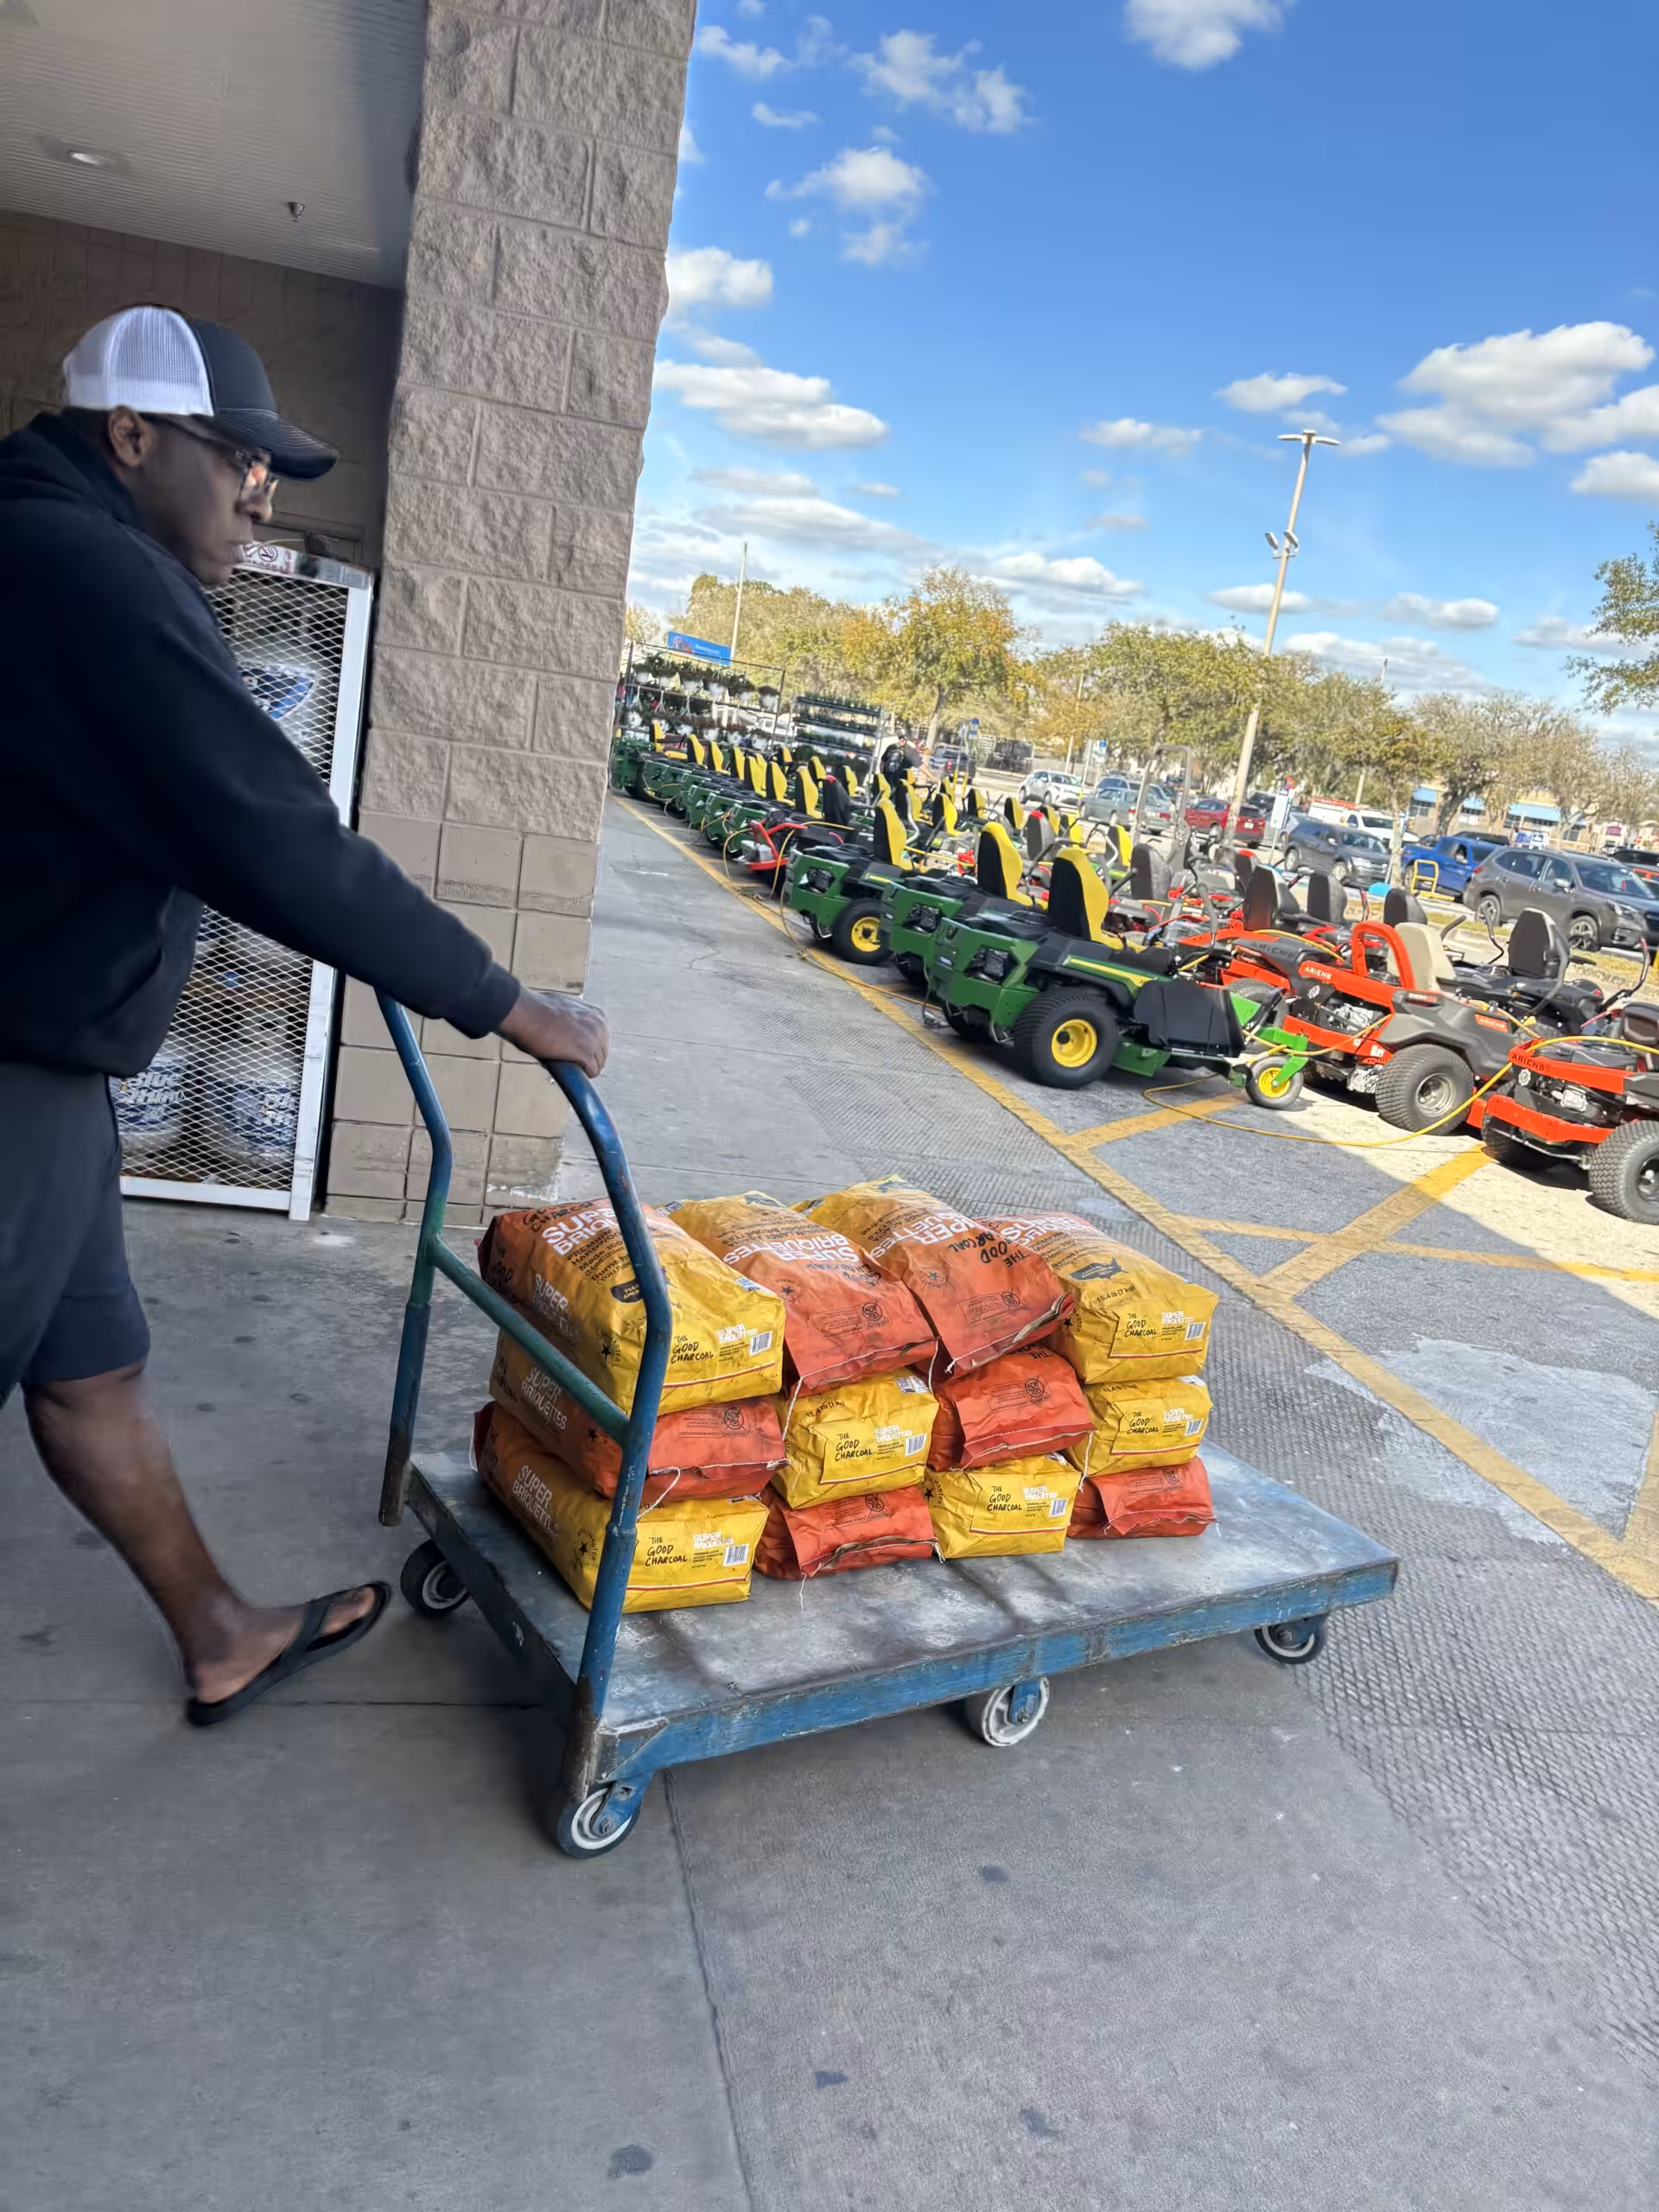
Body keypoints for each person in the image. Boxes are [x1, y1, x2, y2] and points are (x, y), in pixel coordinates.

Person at [0, 305, 608, 1726]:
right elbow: (275, 839)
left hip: (54, 1068)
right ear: (131, 436)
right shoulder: (81, 568)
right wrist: (508, 1005)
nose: (259, 498)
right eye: (241, 462)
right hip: (11, 1067)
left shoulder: (59, 548)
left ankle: (218, 1631)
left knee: (92, 1373)